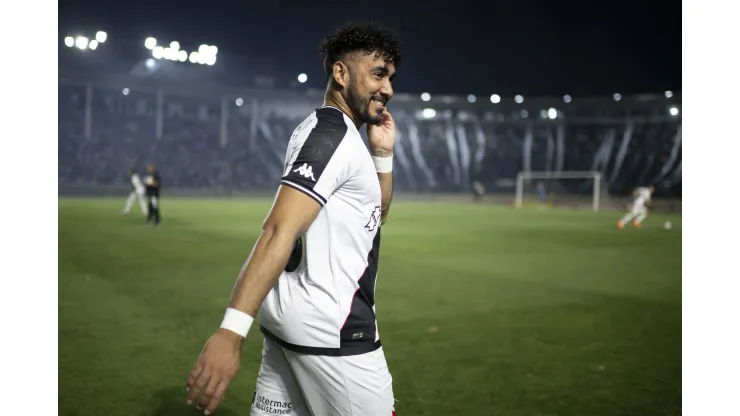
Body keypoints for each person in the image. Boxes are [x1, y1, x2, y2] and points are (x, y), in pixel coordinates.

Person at [185, 21, 402, 416]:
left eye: (390, 77)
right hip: (334, 336)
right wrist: (231, 331)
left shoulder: (333, 132)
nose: (388, 88)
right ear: (340, 72)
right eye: (378, 74)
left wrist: (383, 155)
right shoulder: (330, 136)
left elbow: (375, 215)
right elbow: (278, 230)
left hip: (289, 329)